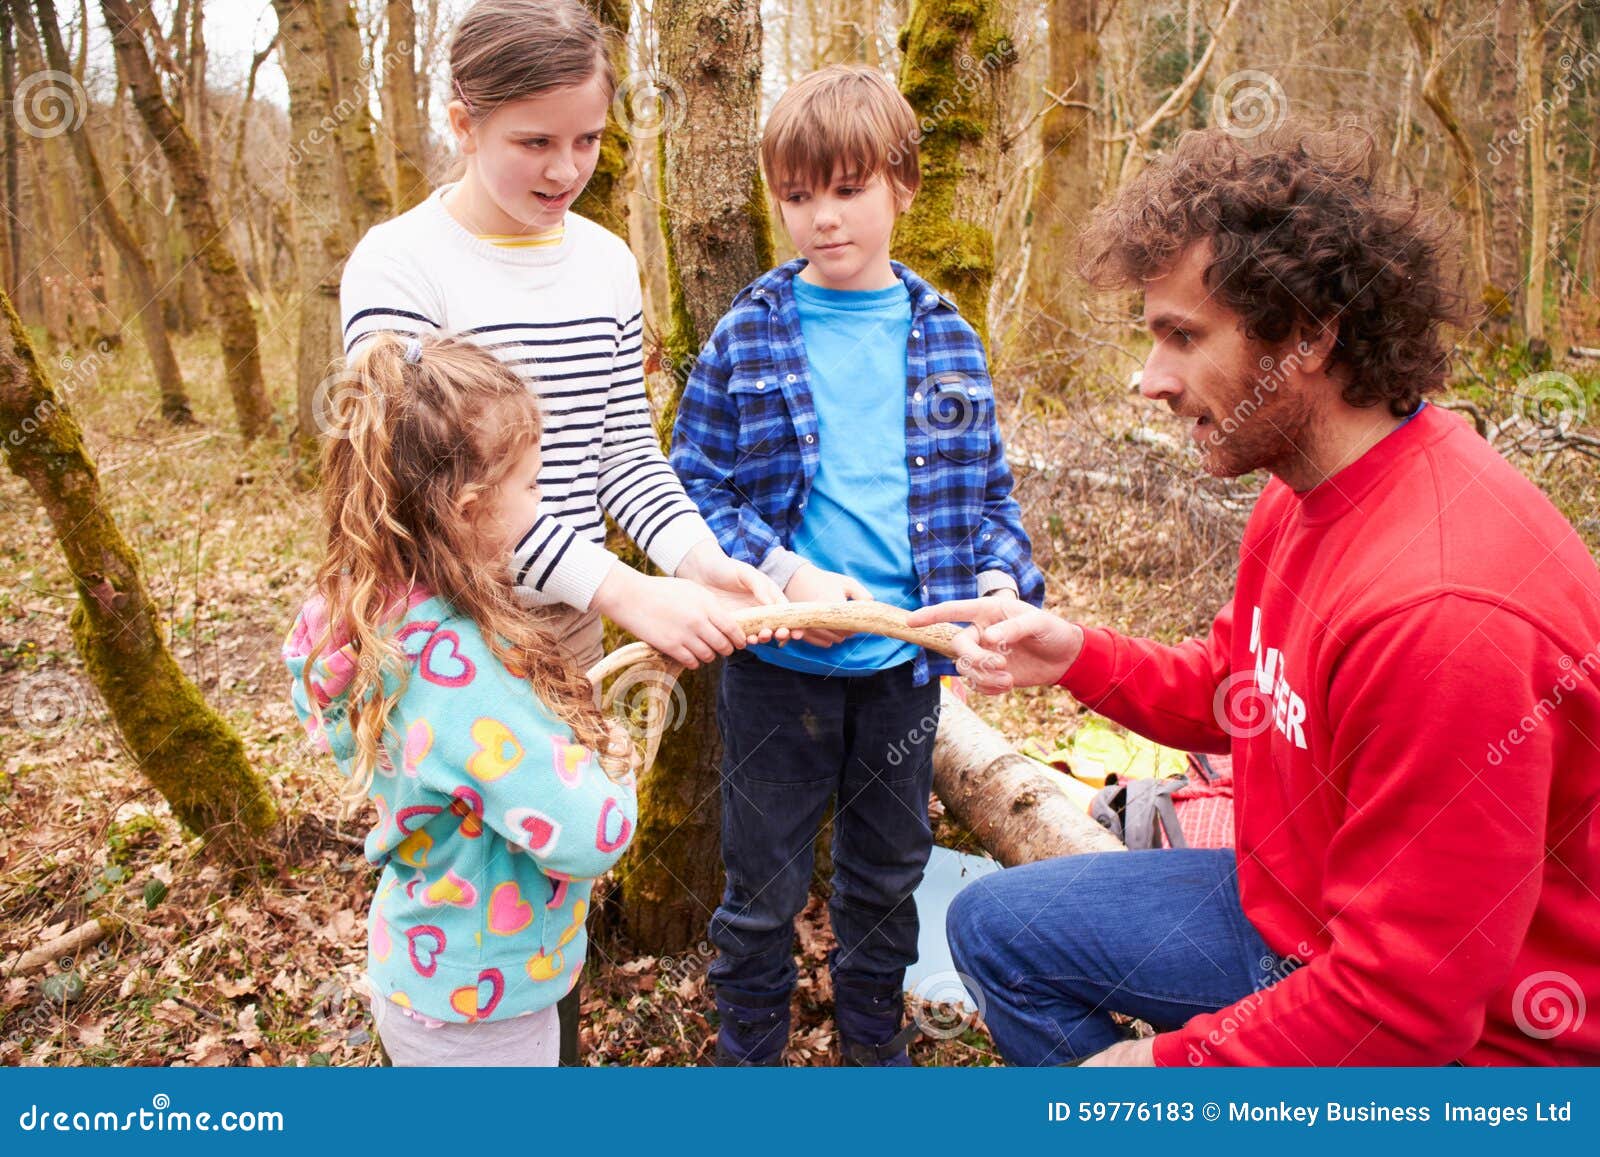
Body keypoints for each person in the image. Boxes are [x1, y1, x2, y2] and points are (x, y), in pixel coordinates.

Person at [912, 125, 1600, 1067]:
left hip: (1478, 1046)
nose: (1147, 380)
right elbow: (1239, 687)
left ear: (1310, 335)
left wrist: (1160, 1072)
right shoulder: (1303, 487)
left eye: (1182, 337)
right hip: (1293, 914)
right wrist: (1070, 652)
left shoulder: (1448, 618)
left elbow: (1402, 1012)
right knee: (997, 929)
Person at [671, 65, 1045, 1066]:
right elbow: (693, 482)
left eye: (846, 189)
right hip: (774, 670)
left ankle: (873, 1063)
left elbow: (988, 501)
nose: (820, 218)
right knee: (759, 890)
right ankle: (747, 1066)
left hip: (902, 675)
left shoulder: (946, 341)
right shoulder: (749, 331)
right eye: (796, 196)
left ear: (902, 186)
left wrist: (1006, 582)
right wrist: (786, 577)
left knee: (886, 880)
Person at [339, 0, 782, 677]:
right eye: (535, 143)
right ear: (464, 126)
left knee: (593, 785)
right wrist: (626, 590)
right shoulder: (397, 266)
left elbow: (625, 453)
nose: (566, 171)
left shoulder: (607, 265)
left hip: (568, 623)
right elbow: (429, 490)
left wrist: (700, 560)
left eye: (587, 140)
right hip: (436, 629)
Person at [284, 335, 650, 1066]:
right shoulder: (458, 670)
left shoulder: (363, 619)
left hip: (418, 969)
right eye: (533, 486)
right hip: (485, 1007)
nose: (540, 503)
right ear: (474, 508)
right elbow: (591, 834)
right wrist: (618, 764)